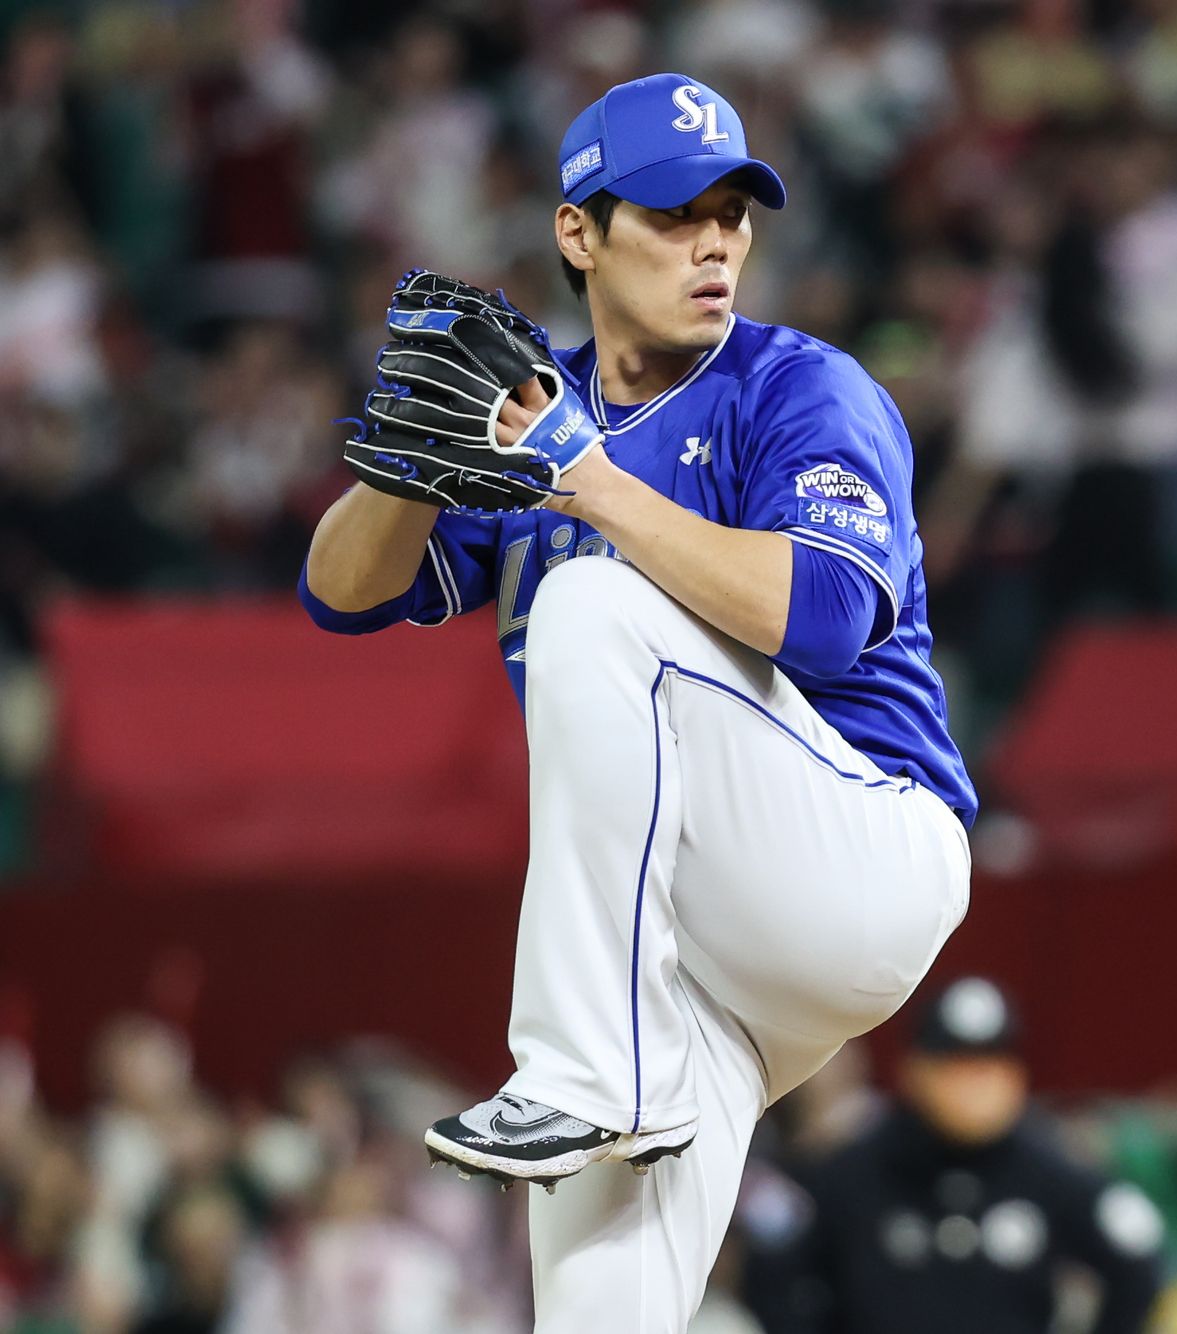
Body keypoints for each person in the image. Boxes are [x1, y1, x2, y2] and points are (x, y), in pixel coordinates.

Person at [298, 72, 975, 1333]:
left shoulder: (798, 386)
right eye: (672, 215)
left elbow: (824, 611)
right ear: (579, 232)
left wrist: (587, 478)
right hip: (690, 966)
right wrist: (403, 467)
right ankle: (607, 1076)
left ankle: (578, 1074)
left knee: (590, 602)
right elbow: (341, 594)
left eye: (731, 214)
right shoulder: (533, 414)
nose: (712, 243)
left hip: (858, 847)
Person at [748, 976, 1163, 1334]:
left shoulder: (1048, 1171)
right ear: (914, 1069)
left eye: (989, 1065)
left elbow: (1135, 1262)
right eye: (956, 1065)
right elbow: (773, 1276)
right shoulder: (852, 1172)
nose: (975, 1085)